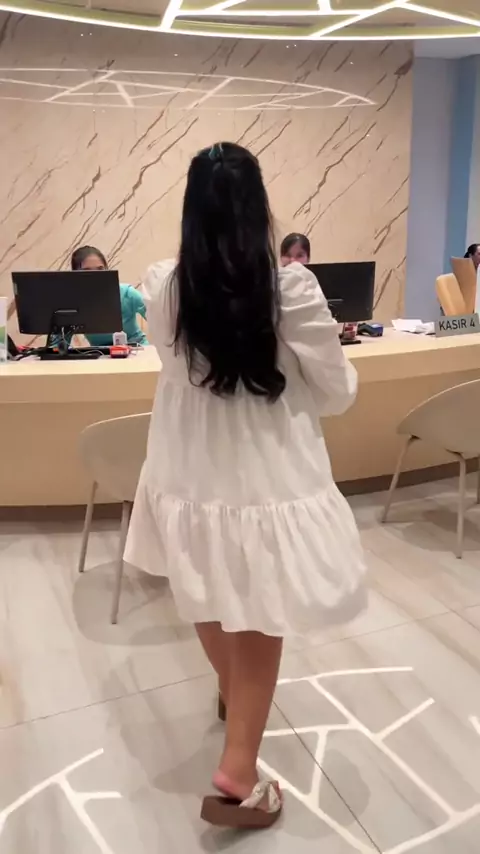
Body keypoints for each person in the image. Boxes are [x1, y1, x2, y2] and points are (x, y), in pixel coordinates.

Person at [124, 142, 365, 830]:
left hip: (185, 466)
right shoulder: (291, 290)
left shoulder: (164, 287)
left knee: (200, 576)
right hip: (266, 471)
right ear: (259, 212)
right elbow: (338, 392)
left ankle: (235, 695)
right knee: (262, 606)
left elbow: (176, 364)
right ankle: (238, 766)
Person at [69, 245, 148, 347]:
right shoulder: (73, 304)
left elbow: (160, 320)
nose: (96, 277)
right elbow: (58, 345)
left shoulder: (127, 293)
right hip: (100, 353)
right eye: (86, 271)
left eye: (100, 269)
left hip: (137, 349)